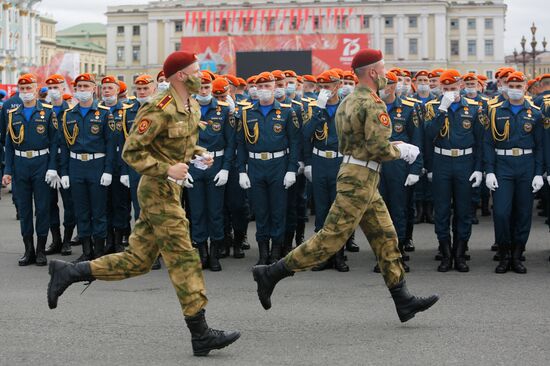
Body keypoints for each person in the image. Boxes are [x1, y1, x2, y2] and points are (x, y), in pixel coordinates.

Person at [47, 51, 240, 356]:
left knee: (137, 261)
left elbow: (179, 144)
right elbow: (132, 153)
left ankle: (69, 272)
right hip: (157, 190)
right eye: (196, 71)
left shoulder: (189, 105)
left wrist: (198, 153)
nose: (202, 76)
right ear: (180, 76)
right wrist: (168, 169)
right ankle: (200, 332)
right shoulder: (159, 108)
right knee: (183, 257)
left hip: (171, 188)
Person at [251, 48, 439, 323]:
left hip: (358, 174)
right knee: (329, 239)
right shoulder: (372, 103)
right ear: (373, 72)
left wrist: (394, 144)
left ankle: (403, 299)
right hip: (360, 180)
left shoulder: (348, 102)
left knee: (386, 236)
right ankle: (271, 273)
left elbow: (355, 143)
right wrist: (402, 152)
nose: (386, 74)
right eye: (383, 68)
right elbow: (376, 147)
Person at [237, 72, 300, 265]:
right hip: (256, 166)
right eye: (260, 87)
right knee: (261, 211)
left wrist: (291, 169)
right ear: (255, 89)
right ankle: (263, 253)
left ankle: (276, 253)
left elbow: (295, 142)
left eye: (268, 86)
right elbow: (241, 144)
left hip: (278, 165)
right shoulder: (247, 112)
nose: (264, 90)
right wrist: (241, 170)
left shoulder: (288, 111)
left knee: (278, 210)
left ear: (274, 87)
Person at [424, 70, 484, 273]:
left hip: (465, 161)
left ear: (460, 86)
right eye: (446, 88)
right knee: (441, 210)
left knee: (463, 210)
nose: (450, 92)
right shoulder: (432, 107)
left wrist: (479, 169)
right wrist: (442, 109)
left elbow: (480, 142)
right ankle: (446, 253)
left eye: (453, 88)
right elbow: (429, 135)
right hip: (442, 160)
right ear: (441, 89)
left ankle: (460, 254)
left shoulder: (475, 108)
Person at [485, 71, 544, 274]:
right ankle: (504, 254)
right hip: (502, 164)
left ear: (525, 88)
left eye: (519, 86)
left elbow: (540, 146)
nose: (515, 90)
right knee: (501, 212)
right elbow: (488, 143)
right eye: (512, 86)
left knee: (523, 213)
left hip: (526, 164)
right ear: (506, 87)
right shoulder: (494, 111)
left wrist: (538, 172)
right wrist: (489, 171)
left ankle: (517, 255)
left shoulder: (535, 112)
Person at [57, 73, 117, 261]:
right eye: (79, 87)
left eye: (85, 86)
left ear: (93, 89)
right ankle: (86, 250)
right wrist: (64, 172)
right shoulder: (68, 115)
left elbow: (111, 145)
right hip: (76, 166)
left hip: (97, 165)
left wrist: (108, 170)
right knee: (81, 211)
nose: (82, 90)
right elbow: (64, 146)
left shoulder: (105, 113)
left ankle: (98, 251)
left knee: (98, 211)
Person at [2, 74, 59, 266]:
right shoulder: (13, 114)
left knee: (42, 208)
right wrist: (7, 170)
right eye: (22, 89)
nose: (25, 93)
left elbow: (54, 142)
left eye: (29, 89)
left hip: (41, 163)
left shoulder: (48, 112)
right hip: (20, 166)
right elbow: (9, 145)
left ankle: (41, 250)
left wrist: (52, 167)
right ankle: (29, 250)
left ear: (36, 89)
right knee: (25, 210)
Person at [187, 74, 236, 271]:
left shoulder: (224, 110)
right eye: (200, 87)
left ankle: (215, 253)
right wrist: (183, 168)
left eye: (207, 87)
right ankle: (202, 253)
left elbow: (231, 142)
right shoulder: (186, 109)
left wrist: (225, 168)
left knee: (215, 212)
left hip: (215, 163)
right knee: (197, 212)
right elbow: (179, 142)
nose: (204, 91)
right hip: (193, 164)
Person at [302, 70, 349, 272]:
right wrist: (319, 109)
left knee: (339, 210)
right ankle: (322, 256)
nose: (324, 90)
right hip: (320, 161)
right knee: (321, 211)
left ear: (338, 86)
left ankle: (339, 255)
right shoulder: (314, 107)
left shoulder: (347, 107)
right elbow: (305, 134)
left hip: (340, 161)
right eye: (321, 87)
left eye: (328, 86)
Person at [377, 71, 423, 273]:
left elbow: (417, 141)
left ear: (393, 87)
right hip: (376, 163)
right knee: (378, 213)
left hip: (397, 164)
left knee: (398, 210)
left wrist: (415, 169)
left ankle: (398, 253)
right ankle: (383, 255)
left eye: (385, 85)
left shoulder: (409, 109)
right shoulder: (370, 108)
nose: (381, 88)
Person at [44, 74, 76, 257]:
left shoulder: (70, 111)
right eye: (50, 87)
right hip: (48, 163)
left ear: (63, 89)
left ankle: (67, 240)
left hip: (66, 162)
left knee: (69, 203)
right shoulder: (44, 111)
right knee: (49, 203)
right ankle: (55, 239)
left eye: (56, 87)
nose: (53, 90)